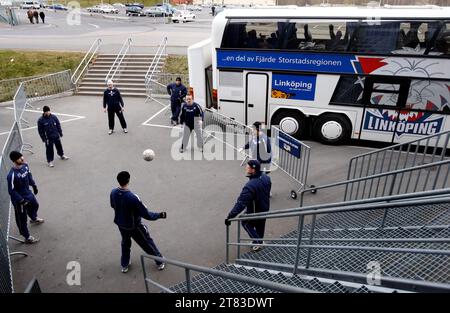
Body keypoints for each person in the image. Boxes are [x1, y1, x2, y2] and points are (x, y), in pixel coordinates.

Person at [110, 171, 167, 273]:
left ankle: (124, 264)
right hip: (134, 227)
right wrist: (160, 215)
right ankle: (160, 262)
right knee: (147, 243)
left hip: (121, 224)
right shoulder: (132, 197)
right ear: (128, 180)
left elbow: (113, 205)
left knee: (125, 243)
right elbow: (146, 214)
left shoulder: (113, 192)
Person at [225, 160, 271, 252]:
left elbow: (240, 204)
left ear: (253, 170)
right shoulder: (266, 177)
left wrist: (230, 217)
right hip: (265, 207)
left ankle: (258, 242)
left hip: (254, 210)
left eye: (248, 166)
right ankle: (258, 242)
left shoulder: (250, 186)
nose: (246, 167)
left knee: (245, 222)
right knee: (260, 225)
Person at [7, 151, 44, 244]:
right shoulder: (11, 175)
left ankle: (33, 218)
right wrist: (21, 200)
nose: (22, 158)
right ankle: (27, 237)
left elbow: (29, 176)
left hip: (28, 194)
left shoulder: (25, 166)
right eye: (20, 158)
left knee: (35, 205)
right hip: (20, 200)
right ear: (14, 160)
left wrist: (34, 185)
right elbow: (11, 191)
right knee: (22, 219)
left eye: (22, 156)